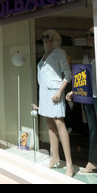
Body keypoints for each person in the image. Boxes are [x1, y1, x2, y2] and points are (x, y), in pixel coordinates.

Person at [37, 29, 73, 177]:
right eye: (44, 37)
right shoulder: (44, 56)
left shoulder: (60, 53)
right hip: (44, 93)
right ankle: (55, 157)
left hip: (54, 92)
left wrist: (59, 92)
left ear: (55, 39)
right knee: (50, 125)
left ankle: (69, 164)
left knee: (59, 123)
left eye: (49, 37)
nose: (46, 40)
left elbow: (68, 74)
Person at [66, 26, 97, 174]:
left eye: (92, 34)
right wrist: (75, 90)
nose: (89, 37)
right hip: (89, 95)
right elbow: (84, 76)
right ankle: (94, 161)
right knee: (93, 129)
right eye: (88, 34)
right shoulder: (86, 54)